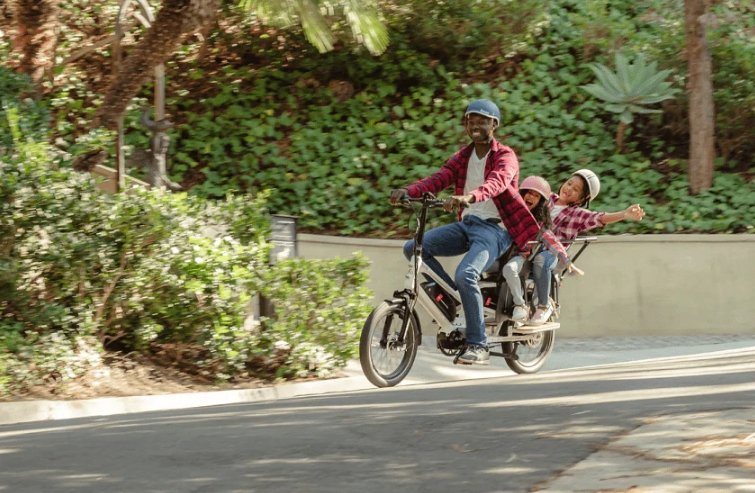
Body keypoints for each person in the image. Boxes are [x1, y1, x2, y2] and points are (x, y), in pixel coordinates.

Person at [389, 99, 543, 365]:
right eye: (470, 120)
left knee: (466, 272)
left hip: (495, 229)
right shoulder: (463, 156)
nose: (475, 125)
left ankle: (478, 344)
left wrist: (470, 196)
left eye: (482, 120)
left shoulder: (505, 156)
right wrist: (409, 192)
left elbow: (497, 182)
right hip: (468, 224)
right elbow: (440, 178)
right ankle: (457, 298)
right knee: (412, 248)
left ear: (494, 125)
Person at [527, 169, 646, 325]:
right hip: (530, 247)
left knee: (542, 259)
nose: (569, 189)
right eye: (569, 183)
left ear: (582, 199)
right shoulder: (546, 198)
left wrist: (624, 214)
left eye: (575, 190)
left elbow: (599, 218)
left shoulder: (577, 214)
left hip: (554, 255)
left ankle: (543, 305)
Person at [500, 175, 553, 324]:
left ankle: (520, 304)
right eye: (529, 192)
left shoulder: (538, 222)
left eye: (536, 196)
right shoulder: (509, 210)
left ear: (541, 202)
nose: (531, 197)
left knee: (509, 269)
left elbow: (540, 242)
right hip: (500, 251)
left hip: (520, 255)